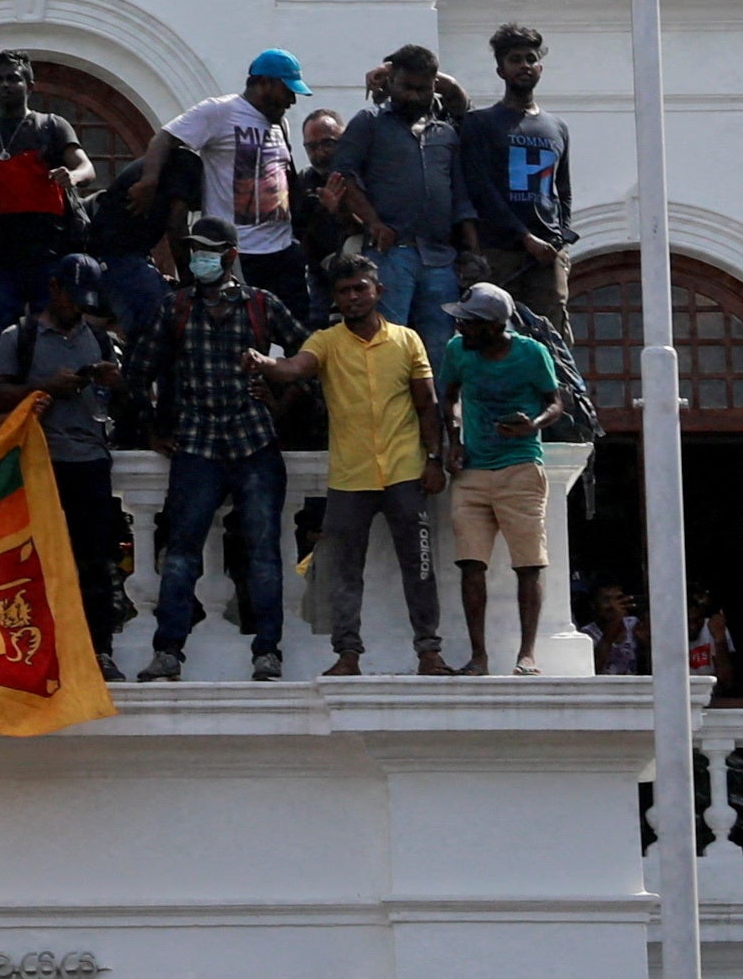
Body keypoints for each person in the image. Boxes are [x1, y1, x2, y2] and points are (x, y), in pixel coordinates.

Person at [141, 226, 295, 682]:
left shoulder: (262, 305)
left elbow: (312, 356)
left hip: (254, 440)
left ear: (229, 255)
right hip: (195, 441)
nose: (196, 261)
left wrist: (279, 399)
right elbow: (139, 368)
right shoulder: (175, 306)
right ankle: (168, 650)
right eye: (192, 252)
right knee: (182, 552)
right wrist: (153, 429)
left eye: (206, 253)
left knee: (262, 552)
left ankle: (268, 651)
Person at [292, 258, 448, 676]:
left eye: (360, 288)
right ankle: (347, 655)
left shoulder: (407, 340)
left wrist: (434, 458)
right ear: (335, 297)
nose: (352, 297)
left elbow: (428, 404)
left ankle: (429, 652)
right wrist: (267, 365)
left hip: (405, 471)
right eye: (344, 291)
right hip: (351, 475)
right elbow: (296, 368)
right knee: (344, 572)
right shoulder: (325, 342)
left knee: (419, 565)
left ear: (379, 291)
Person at [0, 255, 130, 657]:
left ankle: (98, 650)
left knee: (95, 563)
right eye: (73, 299)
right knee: (33, 562)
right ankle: (34, 650)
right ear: (54, 289)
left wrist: (116, 383)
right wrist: (44, 388)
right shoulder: (18, 338)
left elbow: (126, 401)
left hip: (90, 461)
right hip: (38, 462)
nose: (78, 309)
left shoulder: (101, 340)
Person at [429, 283, 567, 677]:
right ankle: (479, 657)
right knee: (471, 564)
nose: (460, 328)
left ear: (493, 326)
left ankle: (527, 654)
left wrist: (533, 426)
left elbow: (556, 401)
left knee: (528, 564)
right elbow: (450, 395)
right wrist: (454, 439)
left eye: (469, 323)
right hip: (472, 468)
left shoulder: (530, 353)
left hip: (520, 466)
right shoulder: (459, 351)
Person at [334, 48, 467, 340]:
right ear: (391, 81)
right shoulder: (368, 122)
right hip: (390, 255)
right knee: (388, 345)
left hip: (439, 258)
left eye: (424, 88)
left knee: (440, 349)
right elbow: (345, 176)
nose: (414, 96)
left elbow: (460, 195)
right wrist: (373, 222)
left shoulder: (445, 131)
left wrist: (471, 251)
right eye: (407, 87)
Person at [453, 24, 574, 320]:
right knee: (498, 328)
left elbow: (563, 190)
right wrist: (524, 237)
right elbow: (481, 189)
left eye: (530, 59)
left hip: (547, 255)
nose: (524, 66)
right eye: (515, 59)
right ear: (501, 70)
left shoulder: (556, 128)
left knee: (550, 332)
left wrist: (561, 240)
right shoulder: (480, 123)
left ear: (540, 68)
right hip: (499, 252)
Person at [0, 59, 94, 330]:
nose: (5, 85)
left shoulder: (51, 125)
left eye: (13, 79)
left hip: (47, 250)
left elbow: (86, 167)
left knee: (49, 327)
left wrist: (72, 177)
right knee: (2, 328)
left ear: (30, 86)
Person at [165, 53, 305, 278]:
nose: (292, 100)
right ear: (265, 83)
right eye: (287, 91)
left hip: (282, 249)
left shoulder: (280, 123)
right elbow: (164, 138)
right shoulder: (219, 111)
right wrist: (148, 181)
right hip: (239, 252)